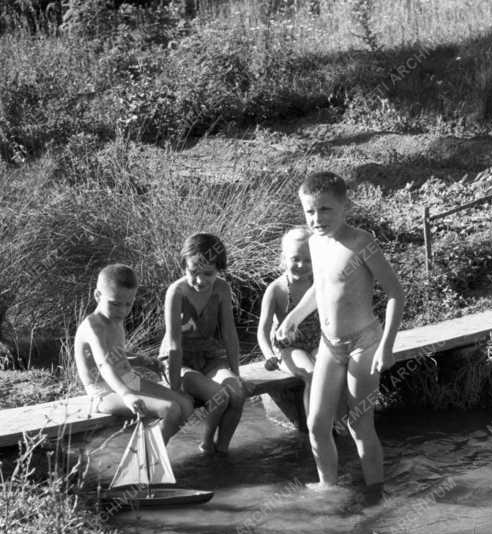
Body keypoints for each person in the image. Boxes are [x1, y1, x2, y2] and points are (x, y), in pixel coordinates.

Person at [277, 172, 405, 496]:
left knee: (359, 424)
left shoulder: (362, 243)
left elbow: (395, 294)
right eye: (310, 211)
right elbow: (320, 290)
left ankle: (375, 493)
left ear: (344, 206)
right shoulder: (315, 242)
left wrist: (386, 346)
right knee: (316, 424)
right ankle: (327, 488)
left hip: (365, 343)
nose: (316, 218)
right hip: (330, 345)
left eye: (325, 209)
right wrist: (293, 317)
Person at [74, 264, 194, 443]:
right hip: (104, 392)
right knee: (171, 409)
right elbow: (104, 364)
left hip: (128, 379)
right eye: (115, 304)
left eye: (128, 304)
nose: (122, 311)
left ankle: (153, 450)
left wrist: (142, 360)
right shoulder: (94, 326)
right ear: (98, 296)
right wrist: (126, 394)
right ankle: (148, 461)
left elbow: (116, 353)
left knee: (186, 404)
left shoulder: (114, 317)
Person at [161, 233, 246, 457]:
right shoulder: (176, 293)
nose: (200, 280)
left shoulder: (221, 289)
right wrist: (175, 390)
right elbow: (173, 346)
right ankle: (206, 446)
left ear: (219, 270)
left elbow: (229, 334)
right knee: (220, 396)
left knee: (237, 393)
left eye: (208, 273)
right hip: (180, 362)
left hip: (208, 357)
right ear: (183, 267)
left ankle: (222, 449)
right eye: (193, 272)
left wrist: (236, 374)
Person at [257, 227, 321, 414]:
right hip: (289, 348)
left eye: (308, 259)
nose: (301, 265)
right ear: (284, 258)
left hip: (317, 342)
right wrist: (269, 355)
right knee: (312, 375)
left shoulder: (318, 283)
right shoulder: (276, 289)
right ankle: (314, 428)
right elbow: (263, 330)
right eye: (295, 259)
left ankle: (339, 424)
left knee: (333, 371)